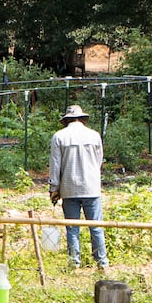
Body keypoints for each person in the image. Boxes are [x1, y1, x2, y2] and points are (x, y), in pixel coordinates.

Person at [48, 104, 108, 269]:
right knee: (96, 226)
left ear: (66, 120)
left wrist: (54, 188)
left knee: (72, 227)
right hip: (91, 187)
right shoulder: (94, 135)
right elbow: (98, 161)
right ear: (82, 118)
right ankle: (102, 262)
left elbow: (55, 165)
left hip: (69, 187)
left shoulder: (59, 137)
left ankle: (74, 262)